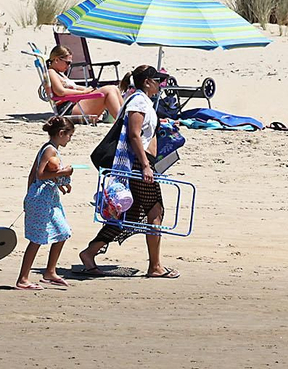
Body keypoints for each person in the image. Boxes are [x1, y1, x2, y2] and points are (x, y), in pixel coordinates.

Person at [77, 65, 177, 278]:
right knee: (155, 211)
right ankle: (155, 266)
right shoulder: (139, 101)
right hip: (136, 164)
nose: (161, 84)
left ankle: (89, 252)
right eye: (157, 80)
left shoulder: (143, 101)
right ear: (147, 81)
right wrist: (146, 165)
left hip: (141, 162)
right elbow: (133, 135)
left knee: (129, 213)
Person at [16, 116, 74, 290]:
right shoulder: (49, 150)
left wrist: (61, 184)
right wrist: (64, 171)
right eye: (69, 135)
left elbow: (34, 174)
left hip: (49, 199)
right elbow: (40, 175)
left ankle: (50, 271)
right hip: (41, 199)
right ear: (61, 133)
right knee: (37, 239)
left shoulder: (50, 149)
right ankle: (23, 279)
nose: (70, 139)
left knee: (63, 232)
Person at [44, 45, 123, 123]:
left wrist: (88, 90)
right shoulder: (51, 72)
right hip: (68, 108)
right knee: (108, 90)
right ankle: (121, 121)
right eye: (67, 63)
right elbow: (60, 92)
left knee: (114, 88)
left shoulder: (60, 74)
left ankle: (125, 118)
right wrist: (83, 92)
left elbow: (75, 87)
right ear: (57, 60)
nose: (69, 66)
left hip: (76, 104)